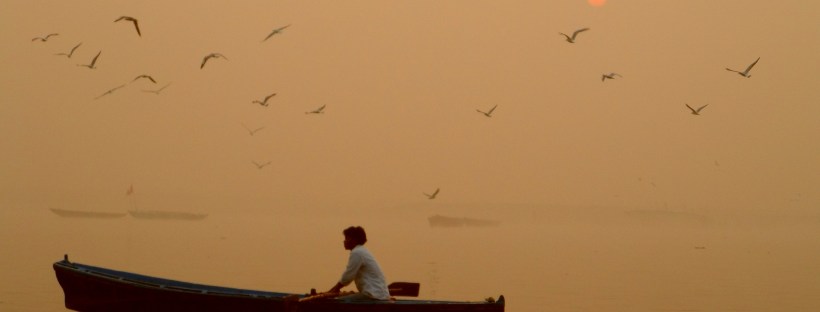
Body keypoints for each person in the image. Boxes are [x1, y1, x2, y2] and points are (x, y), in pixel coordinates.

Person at [327, 226, 391, 300]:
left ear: (354, 240)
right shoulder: (362, 251)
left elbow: (348, 276)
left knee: (337, 301)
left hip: (372, 295)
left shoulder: (357, 253)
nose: (344, 241)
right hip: (380, 294)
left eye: (347, 238)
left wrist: (334, 289)